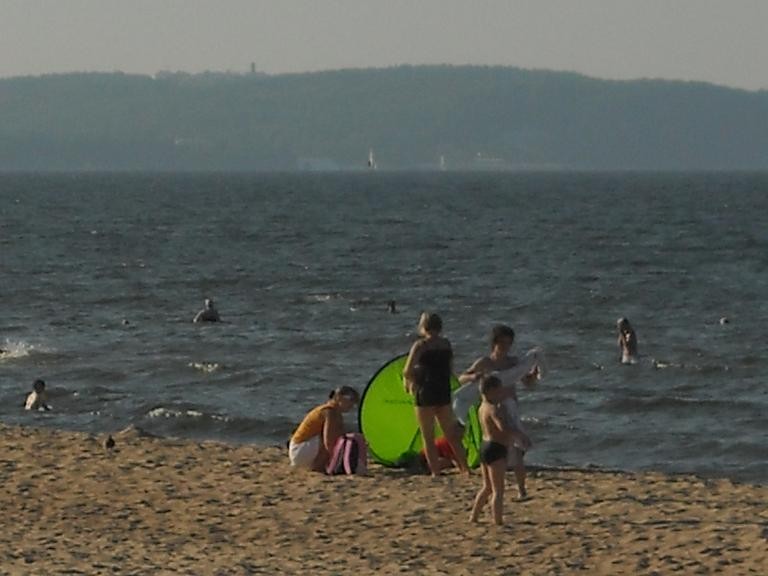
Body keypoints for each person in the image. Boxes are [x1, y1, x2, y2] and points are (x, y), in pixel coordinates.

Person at [455, 324, 544, 497]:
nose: (505, 347)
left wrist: (533, 373)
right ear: (494, 343)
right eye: (502, 343)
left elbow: (528, 384)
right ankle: (489, 486)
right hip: (490, 410)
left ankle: (521, 489)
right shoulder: (485, 362)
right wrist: (474, 376)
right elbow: (461, 379)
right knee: (493, 445)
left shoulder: (513, 363)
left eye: (509, 343)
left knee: (517, 449)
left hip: (510, 408)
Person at [403, 312, 469, 476]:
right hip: (442, 391)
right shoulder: (446, 344)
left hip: (425, 391)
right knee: (451, 434)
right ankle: (464, 468)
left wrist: (413, 381)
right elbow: (450, 369)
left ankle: (435, 471)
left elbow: (407, 370)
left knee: (428, 435)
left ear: (423, 326)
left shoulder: (421, 345)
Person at [470, 375, 531, 525]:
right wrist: (520, 435)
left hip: (485, 446)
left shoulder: (481, 407)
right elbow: (503, 428)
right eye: (499, 391)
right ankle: (497, 521)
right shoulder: (494, 409)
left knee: (487, 487)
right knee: (498, 490)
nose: (501, 394)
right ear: (491, 391)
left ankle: (474, 516)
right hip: (496, 448)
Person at [288, 386, 360, 472]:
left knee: (339, 437)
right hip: (300, 450)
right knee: (331, 439)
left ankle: (321, 465)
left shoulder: (336, 413)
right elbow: (328, 441)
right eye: (350, 399)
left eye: (355, 401)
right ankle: (319, 466)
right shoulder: (329, 412)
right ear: (338, 397)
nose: (352, 404)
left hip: (299, 450)